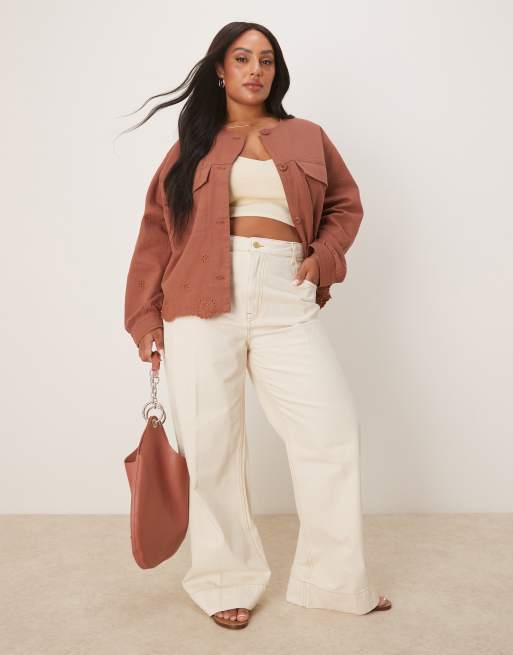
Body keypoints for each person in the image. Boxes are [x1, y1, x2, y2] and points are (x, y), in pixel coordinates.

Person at [123, 21, 392, 630]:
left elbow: (345, 205)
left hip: (284, 294)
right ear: (220, 69)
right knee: (212, 446)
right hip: (198, 298)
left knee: (331, 429)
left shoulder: (307, 136)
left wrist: (322, 256)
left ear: (277, 70)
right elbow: (155, 233)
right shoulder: (190, 147)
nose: (255, 70)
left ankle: (332, 581)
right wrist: (144, 318)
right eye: (242, 58)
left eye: (266, 60)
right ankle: (224, 580)